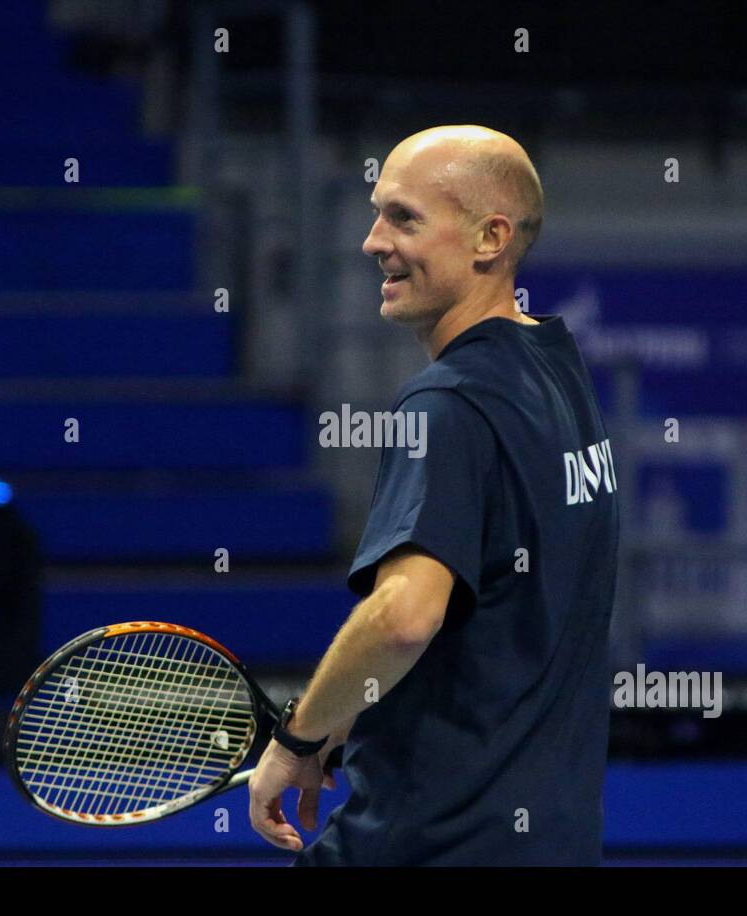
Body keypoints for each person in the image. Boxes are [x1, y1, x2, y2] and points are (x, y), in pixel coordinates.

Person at [249, 125, 620, 865]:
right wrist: (353, 711)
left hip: (434, 845)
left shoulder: (445, 405)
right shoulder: (556, 367)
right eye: (377, 212)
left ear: (491, 237)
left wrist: (299, 736)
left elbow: (406, 618)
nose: (372, 241)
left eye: (404, 219)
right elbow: (501, 614)